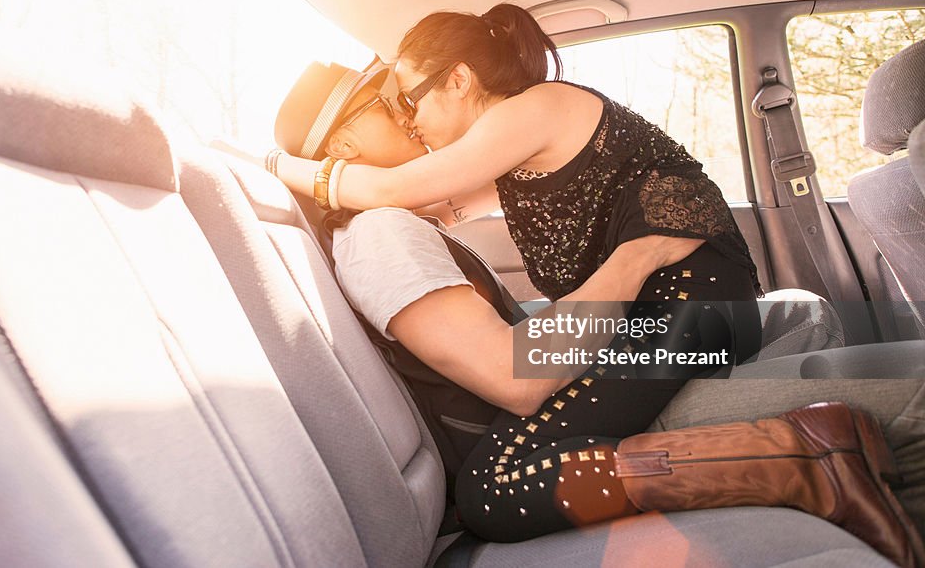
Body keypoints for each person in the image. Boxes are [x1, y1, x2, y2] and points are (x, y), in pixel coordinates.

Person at [264, 61, 924, 565]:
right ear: (344, 146)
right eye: (385, 103)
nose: (408, 113)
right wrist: (637, 258)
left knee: (793, 314)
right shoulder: (381, 231)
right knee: (914, 409)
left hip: (589, 390)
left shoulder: (404, 221)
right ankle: (818, 466)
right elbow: (514, 377)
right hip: (561, 434)